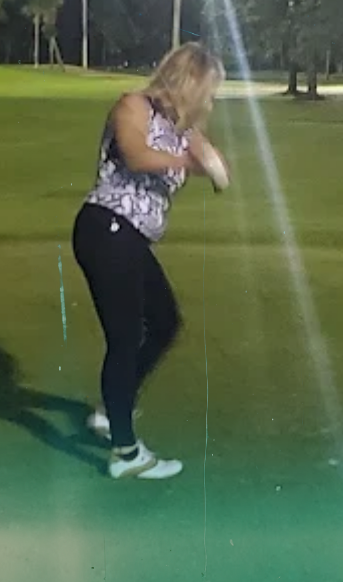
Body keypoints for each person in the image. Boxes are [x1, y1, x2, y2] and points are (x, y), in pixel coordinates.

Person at [72, 42, 228, 479]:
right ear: (190, 82)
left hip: (131, 239)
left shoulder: (184, 130)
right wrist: (190, 162)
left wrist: (211, 163)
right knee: (124, 339)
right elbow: (137, 154)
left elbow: (220, 173)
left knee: (164, 324)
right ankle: (125, 454)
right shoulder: (133, 105)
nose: (211, 101)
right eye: (209, 90)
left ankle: (112, 410)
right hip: (106, 228)